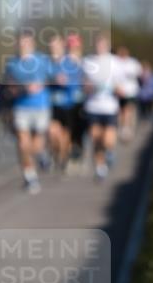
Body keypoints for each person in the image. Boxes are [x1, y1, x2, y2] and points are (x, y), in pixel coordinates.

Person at [4, 30, 51, 194]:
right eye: (21, 42)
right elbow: (8, 87)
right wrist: (21, 88)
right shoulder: (12, 63)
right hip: (21, 107)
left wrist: (41, 84)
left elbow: (52, 78)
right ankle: (30, 177)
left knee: (36, 146)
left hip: (41, 106)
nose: (24, 45)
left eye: (27, 42)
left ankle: (41, 154)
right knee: (23, 144)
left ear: (33, 43)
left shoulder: (42, 60)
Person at [82, 34, 123, 180]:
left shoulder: (115, 62)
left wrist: (117, 89)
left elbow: (121, 85)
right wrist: (87, 87)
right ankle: (100, 168)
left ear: (107, 46)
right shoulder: (87, 61)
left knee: (108, 140)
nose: (100, 47)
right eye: (97, 44)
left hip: (109, 107)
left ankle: (110, 152)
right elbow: (83, 83)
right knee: (96, 139)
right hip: (93, 107)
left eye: (103, 44)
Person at [46, 32, 84, 173]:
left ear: (62, 45)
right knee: (52, 133)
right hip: (52, 105)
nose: (53, 48)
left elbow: (78, 82)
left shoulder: (71, 62)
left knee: (64, 137)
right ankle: (57, 155)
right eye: (51, 46)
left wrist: (66, 81)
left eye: (56, 45)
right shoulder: (47, 63)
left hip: (68, 106)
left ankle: (64, 158)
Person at [115, 45, 142, 142]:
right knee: (120, 111)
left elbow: (139, 74)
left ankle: (126, 128)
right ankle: (122, 127)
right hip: (118, 92)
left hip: (130, 92)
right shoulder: (115, 62)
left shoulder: (133, 63)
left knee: (128, 109)